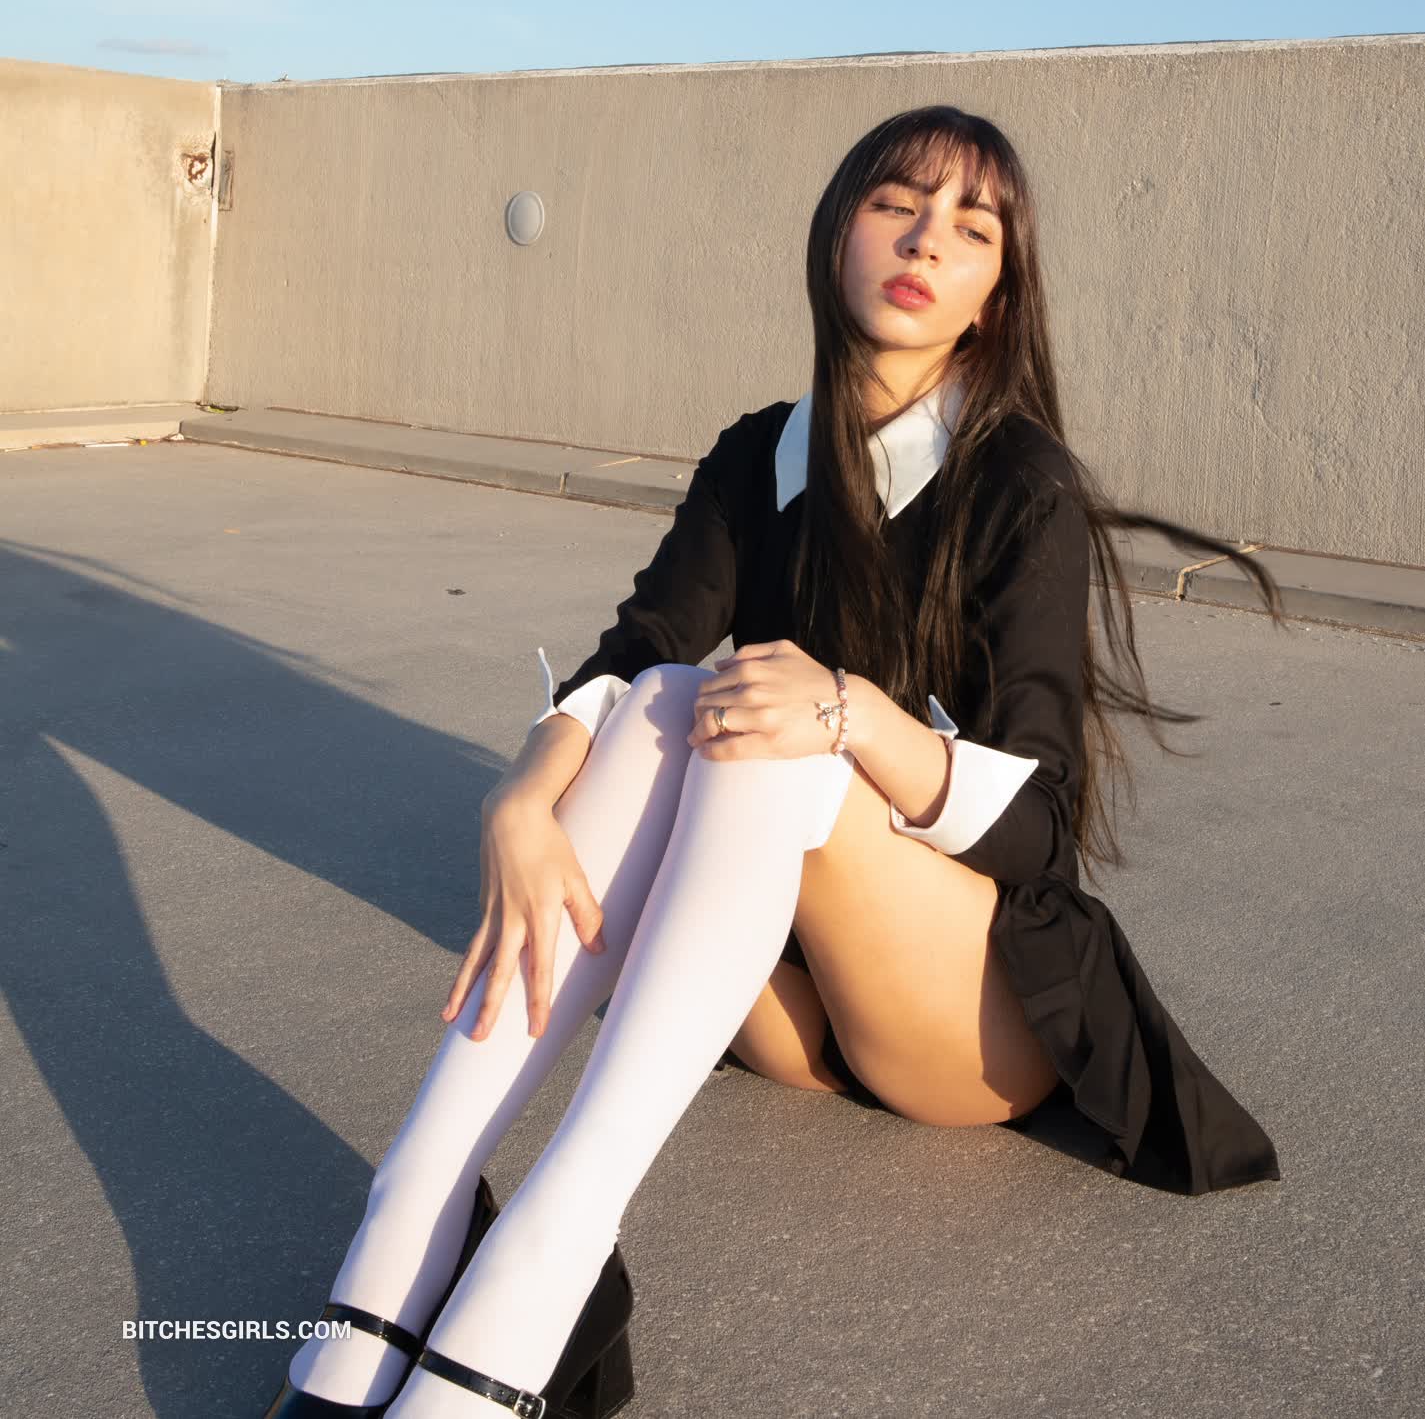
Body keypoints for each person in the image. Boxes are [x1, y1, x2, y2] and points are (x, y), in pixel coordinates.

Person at [262, 104, 1284, 1419]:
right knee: (666, 699)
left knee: (766, 725)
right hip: (786, 1012)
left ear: (993, 297)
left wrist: (852, 714)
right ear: (834, 235)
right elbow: (640, 647)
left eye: (970, 230)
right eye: (895, 204)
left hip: (964, 1019)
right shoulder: (759, 452)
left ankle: (547, 1253)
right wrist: (520, 795)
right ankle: (413, 1209)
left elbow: (1041, 827)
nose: (925, 241)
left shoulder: (1018, 478)